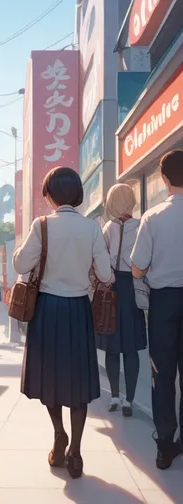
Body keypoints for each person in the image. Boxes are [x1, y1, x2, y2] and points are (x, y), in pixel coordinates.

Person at [13, 167, 112, 479]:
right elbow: (107, 275)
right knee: (78, 381)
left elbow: (19, 263)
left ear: (49, 193)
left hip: (48, 309)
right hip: (79, 309)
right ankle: (77, 454)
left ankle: (59, 436)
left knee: (50, 378)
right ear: (78, 194)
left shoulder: (42, 225)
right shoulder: (91, 228)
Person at [131, 149, 183, 470]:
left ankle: (165, 446)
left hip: (164, 303)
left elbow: (137, 268)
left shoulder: (153, 217)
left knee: (162, 376)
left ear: (164, 179)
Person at [96, 184, 147, 417]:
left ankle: (114, 395)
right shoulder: (140, 227)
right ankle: (130, 400)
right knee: (131, 349)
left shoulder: (108, 227)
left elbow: (101, 260)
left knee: (113, 347)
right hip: (133, 288)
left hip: (113, 287)